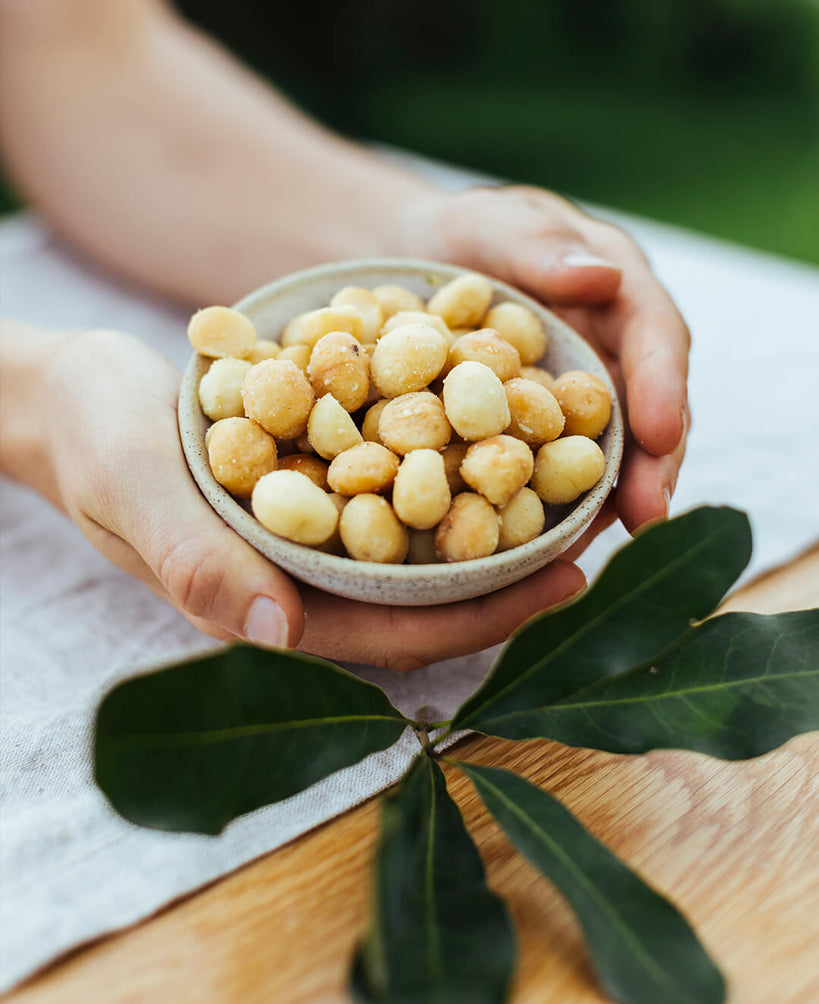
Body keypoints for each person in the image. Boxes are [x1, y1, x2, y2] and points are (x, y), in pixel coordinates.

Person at [0, 0, 688, 670]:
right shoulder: (327, 411)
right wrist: (27, 395)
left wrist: (406, 232)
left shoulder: (415, 388)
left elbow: (70, 49)